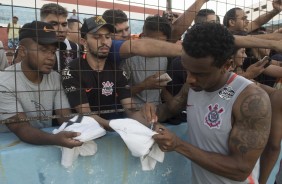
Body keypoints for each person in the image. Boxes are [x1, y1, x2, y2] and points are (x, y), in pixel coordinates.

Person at [151, 23, 271, 183]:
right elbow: (170, 109)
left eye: (199, 74)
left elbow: (240, 170)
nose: (189, 79)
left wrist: (178, 145)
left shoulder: (251, 100)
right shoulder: (193, 86)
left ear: (226, 66)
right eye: (186, 69)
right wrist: (149, 112)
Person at [62, 16, 168, 129]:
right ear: (84, 42)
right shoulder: (71, 71)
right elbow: (86, 114)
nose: (104, 42)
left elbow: (131, 109)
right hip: (82, 131)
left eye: (108, 37)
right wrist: (118, 127)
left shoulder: (117, 71)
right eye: (97, 37)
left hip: (110, 128)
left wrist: (154, 127)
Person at [0, 21, 82, 148]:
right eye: (43, 50)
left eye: (53, 51)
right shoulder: (4, 83)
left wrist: (81, 131)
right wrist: (55, 139)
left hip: (44, 142)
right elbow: (21, 128)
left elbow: (64, 116)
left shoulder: (55, 78)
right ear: (22, 51)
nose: (51, 57)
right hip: (10, 148)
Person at [121, 15, 171, 108]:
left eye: (163, 43)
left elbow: (161, 90)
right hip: (135, 112)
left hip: (157, 110)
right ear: (143, 36)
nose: (159, 46)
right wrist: (144, 85)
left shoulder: (163, 57)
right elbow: (119, 93)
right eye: (155, 42)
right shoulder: (129, 58)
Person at [40, 3, 79, 71]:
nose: (61, 30)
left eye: (64, 24)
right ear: (41, 23)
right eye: (54, 24)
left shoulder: (75, 47)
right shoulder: (30, 46)